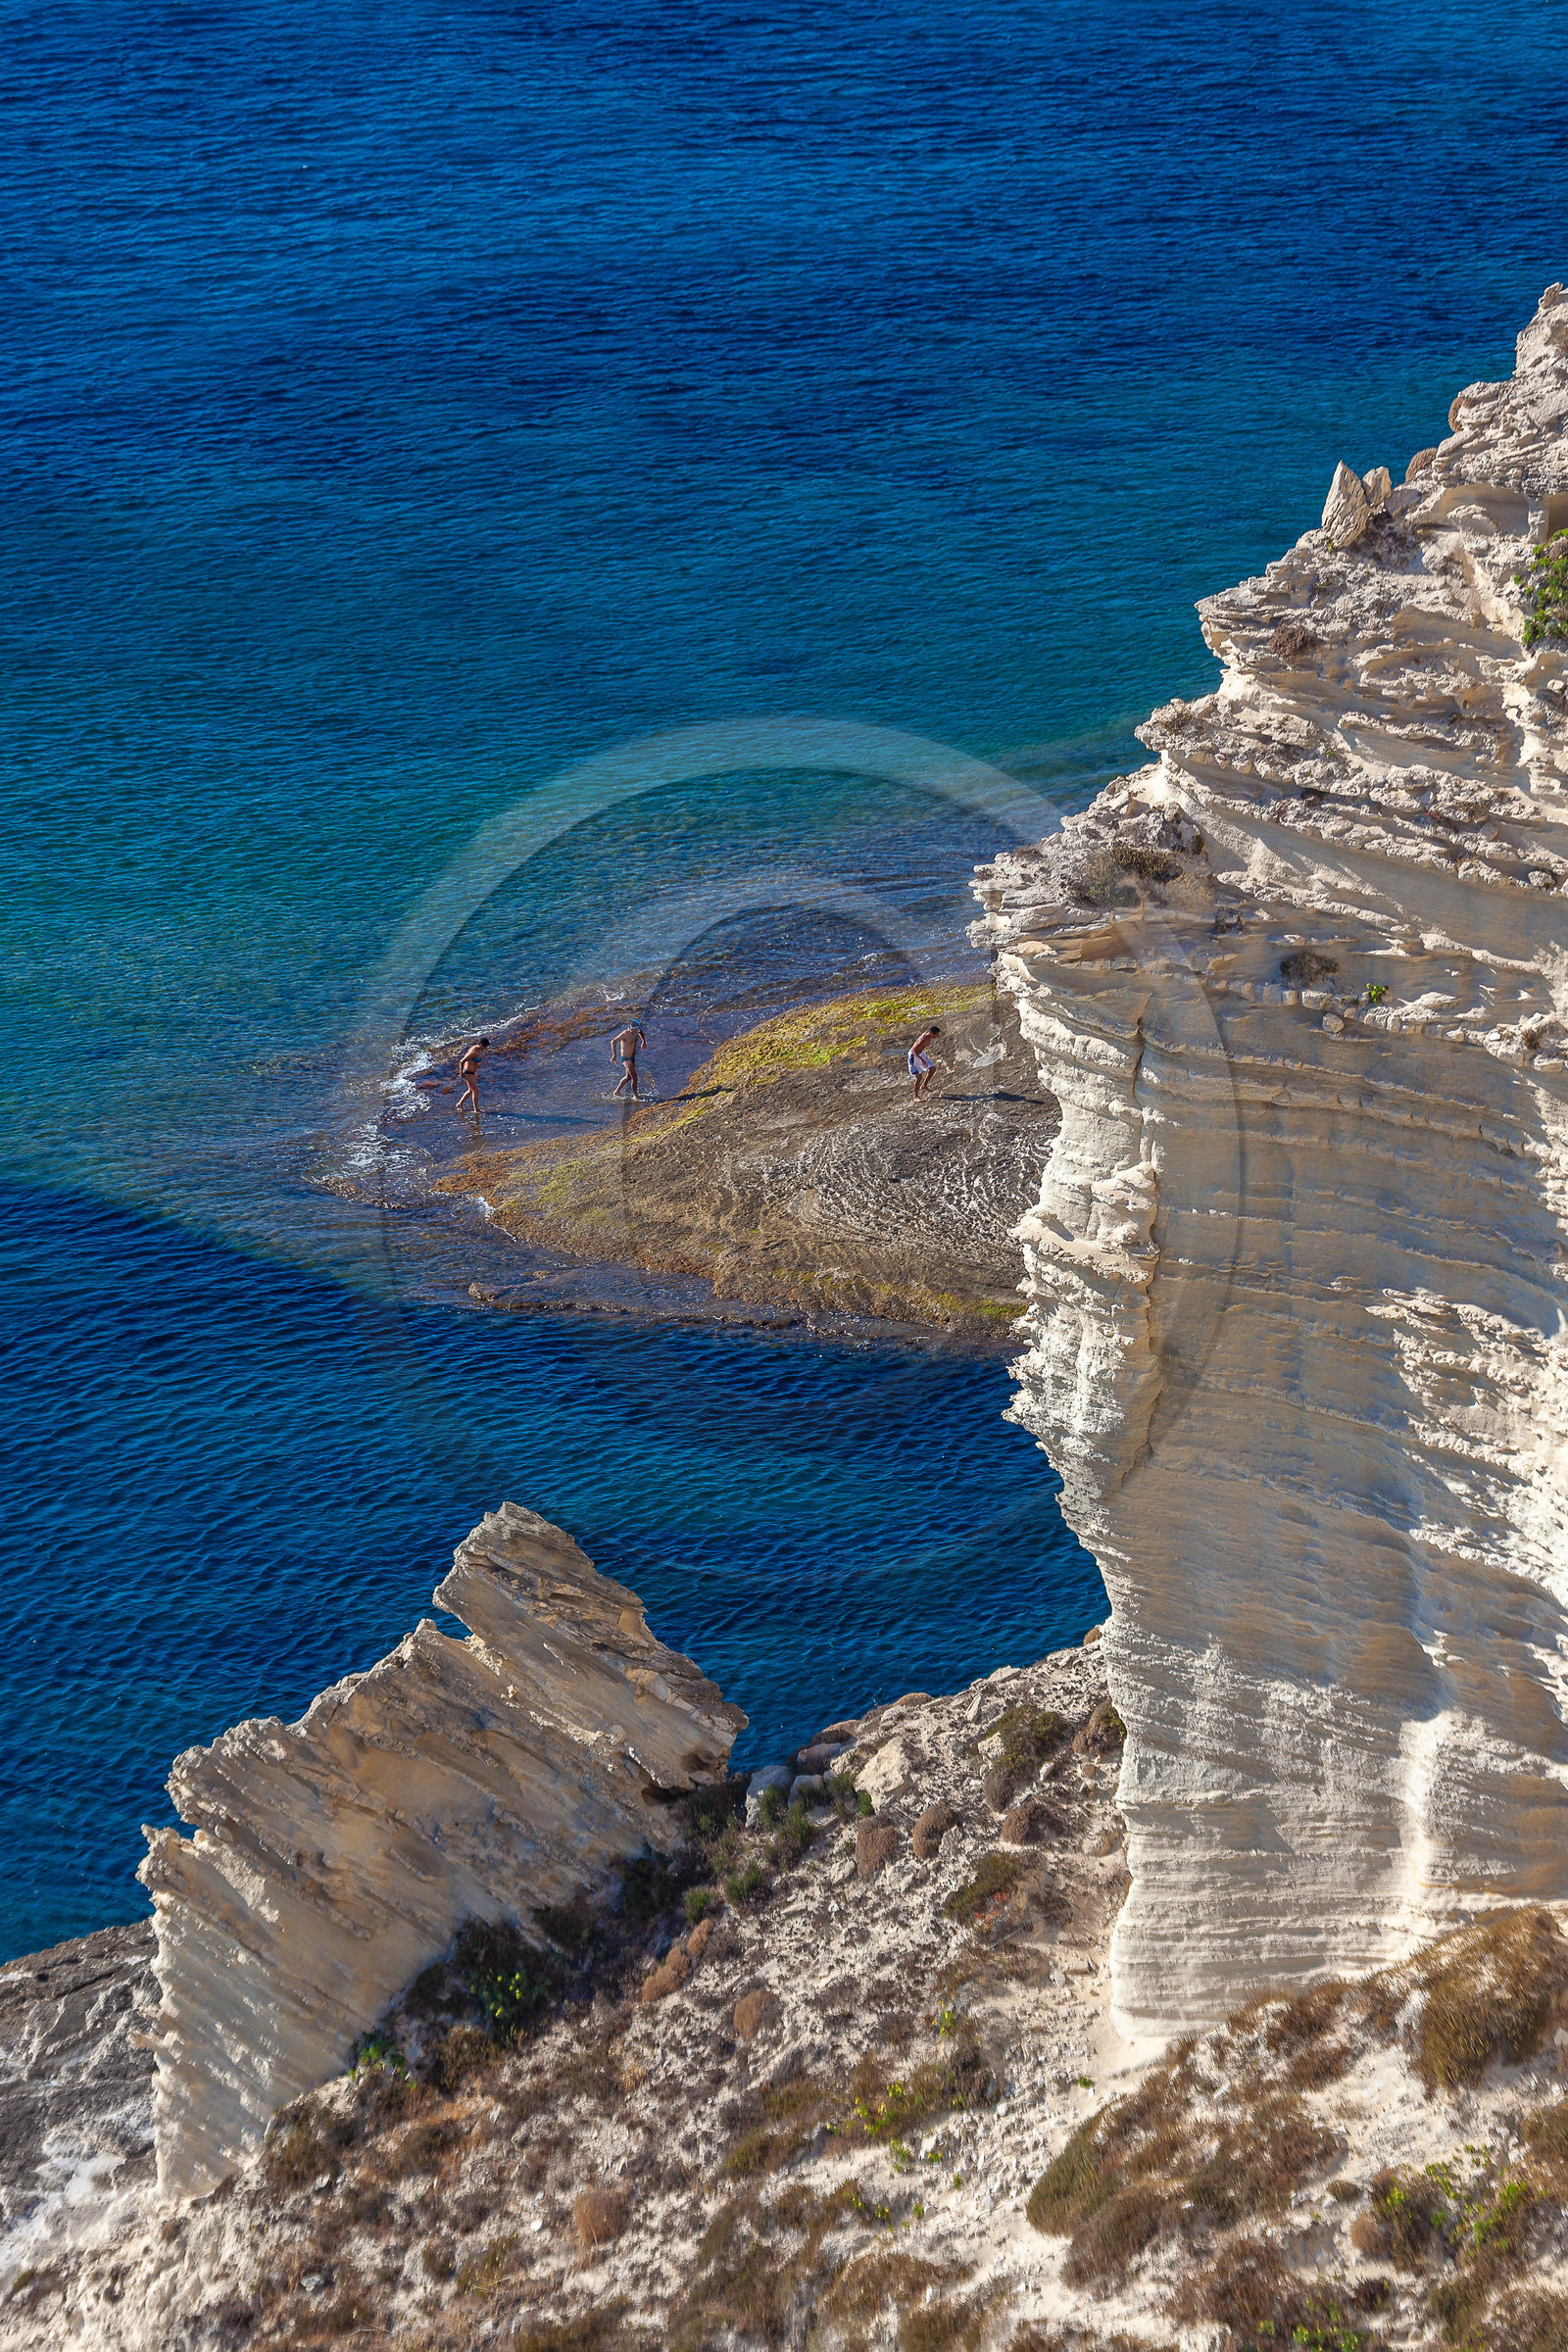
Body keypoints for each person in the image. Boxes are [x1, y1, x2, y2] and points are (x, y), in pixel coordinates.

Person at [611, 1020, 647, 1100]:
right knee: (634, 1077)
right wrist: (614, 1055)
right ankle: (636, 1097)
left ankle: (617, 1092)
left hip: (632, 1057)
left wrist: (643, 1041)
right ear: (631, 1029)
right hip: (626, 1058)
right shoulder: (625, 1034)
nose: (636, 1032)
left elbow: (640, 1032)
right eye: (635, 1031)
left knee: (628, 1077)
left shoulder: (637, 1031)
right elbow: (613, 1041)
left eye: (637, 1030)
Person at [455, 1036, 490, 1115]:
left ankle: (459, 1104)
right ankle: (476, 1109)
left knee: (470, 1090)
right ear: (481, 1045)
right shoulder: (473, 1051)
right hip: (468, 1073)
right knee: (476, 1091)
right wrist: (461, 1073)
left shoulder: (476, 1048)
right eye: (485, 1047)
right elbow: (461, 1061)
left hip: (471, 1073)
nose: (485, 1049)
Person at [907, 1023, 941, 1102]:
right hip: (914, 1056)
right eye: (936, 1035)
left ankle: (924, 1085)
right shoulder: (923, 1039)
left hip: (922, 1053)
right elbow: (913, 1050)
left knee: (932, 1069)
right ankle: (916, 1097)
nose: (937, 1037)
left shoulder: (929, 1034)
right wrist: (921, 1059)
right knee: (919, 1077)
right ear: (932, 1033)